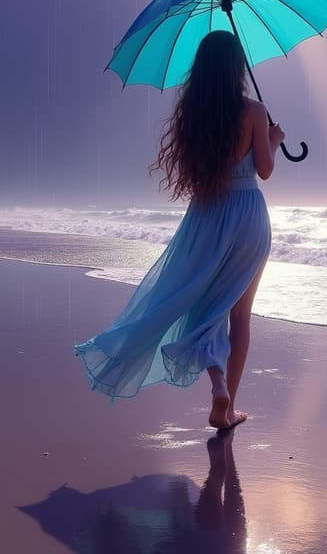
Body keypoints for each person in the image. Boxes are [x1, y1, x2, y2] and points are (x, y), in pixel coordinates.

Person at [74, 30, 285, 430]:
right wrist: (273, 140)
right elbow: (265, 170)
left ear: (202, 71)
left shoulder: (196, 117)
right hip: (250, 219)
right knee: (240, 317)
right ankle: (229, 403)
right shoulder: (255, 111)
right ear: (237, 67)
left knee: (201, 306)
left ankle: (218, 382)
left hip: (208, 215)